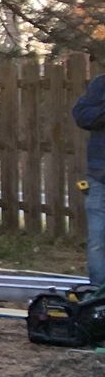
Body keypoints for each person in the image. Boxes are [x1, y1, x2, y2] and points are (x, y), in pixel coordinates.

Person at [73, 74, 105, 288]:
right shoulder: (100, 85)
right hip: (100, 176)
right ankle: (98, 294)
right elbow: (82, 116)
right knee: (97, 239)